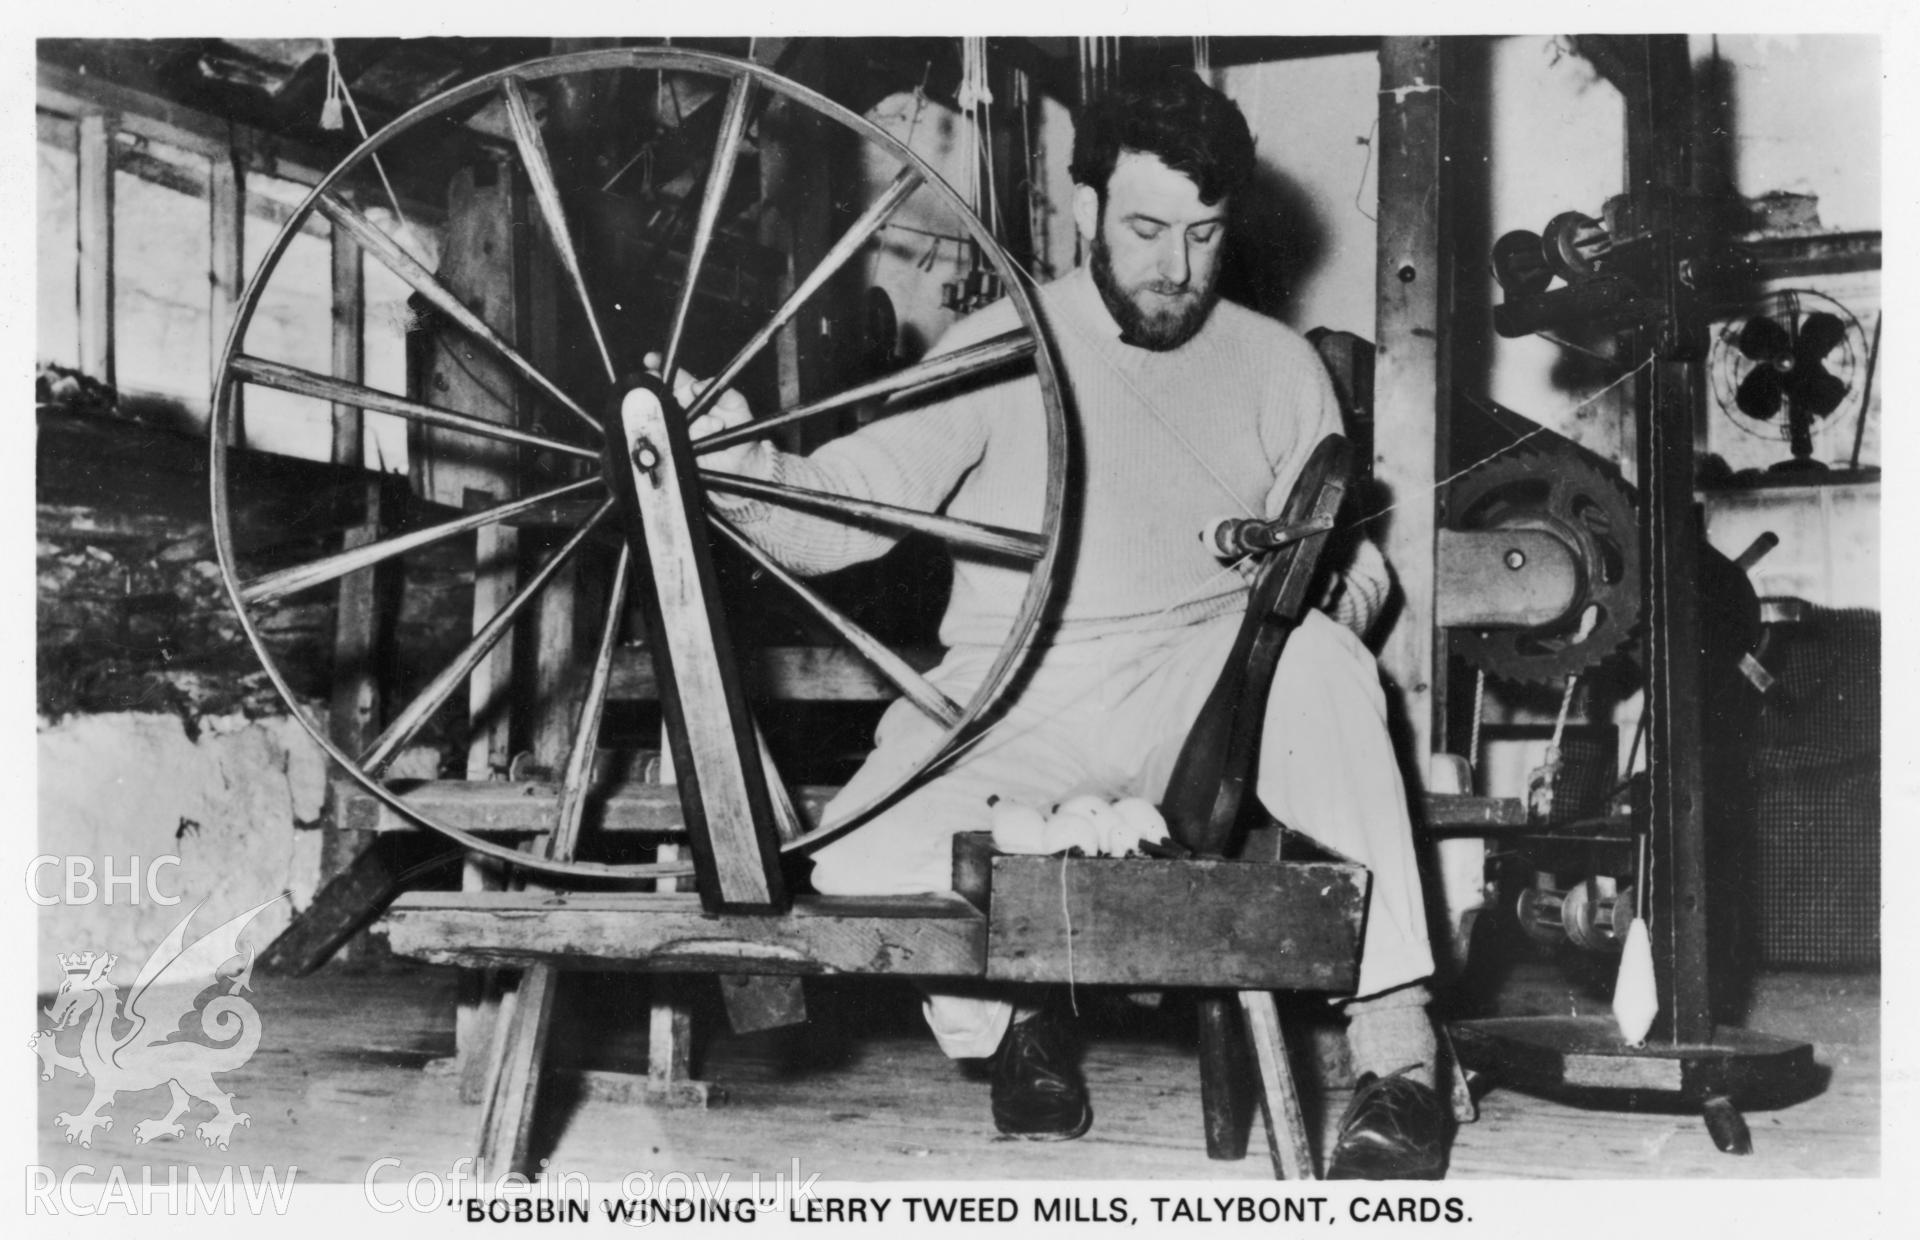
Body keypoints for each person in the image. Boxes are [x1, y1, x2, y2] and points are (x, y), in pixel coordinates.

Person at [655, 73, 1452, 1180]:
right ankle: (1016, 1014)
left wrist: (1316, 601)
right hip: (1015, 698)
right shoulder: (1000, 346)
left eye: (1204, 234)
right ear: (1084, 213)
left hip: (1199, 696)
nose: (1176, 267)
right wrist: (729, 466)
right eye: (1144, 229)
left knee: (1321, 663)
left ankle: (1401, 1054)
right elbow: (842, 518)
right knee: (850, 859)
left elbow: (1353, 565)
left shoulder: (1279, 369)